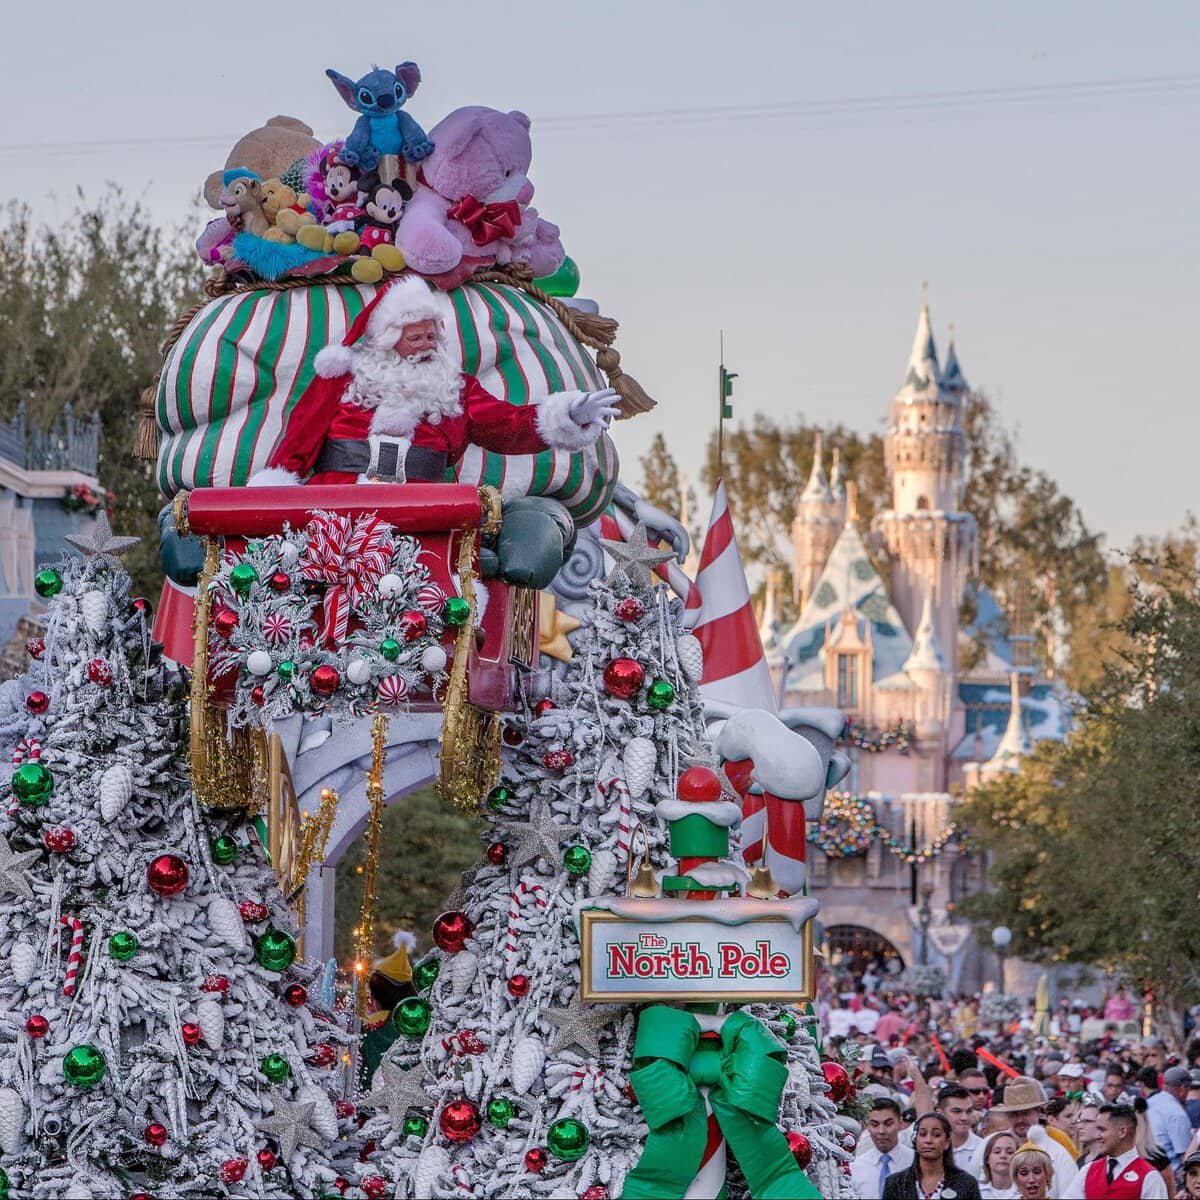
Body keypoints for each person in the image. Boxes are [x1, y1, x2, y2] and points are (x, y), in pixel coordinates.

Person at [255, 274, 617, 486]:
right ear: (387, 339)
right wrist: (275, 492)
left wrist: (568, 415)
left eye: (432, 337)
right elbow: (300, 439)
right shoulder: (344, 377)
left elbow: (507, 424)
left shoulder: (455, 388)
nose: (428, 345)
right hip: (336, 506)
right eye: (417, 338)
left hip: (425, 509)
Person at [992, 1075, 1081, 1193]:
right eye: (1014, 1114)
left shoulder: (1058, 1151)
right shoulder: (991, 1145)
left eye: (1025, 1113)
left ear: (1038, 1112)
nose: (1020, 1119)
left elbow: (1072, 1194)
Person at [1061, 1103, 1168, 1198]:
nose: (1098, 1136)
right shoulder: (1088, 1170)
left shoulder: (1149, 1177)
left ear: (1122, 1131)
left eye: (1102, 1130)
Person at [883, 1112, 982, 1200]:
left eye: (936, 1135)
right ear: (915, 1140)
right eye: (922, 1134)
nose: (928, 1140)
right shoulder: (895, 1183)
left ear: (947, 1142)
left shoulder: (966, 1183)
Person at [853, 1097, 914, 1198]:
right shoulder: (856, 1167)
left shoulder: (915, 1162)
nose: (881, 1131)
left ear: (900, 1123)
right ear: (867, 1126)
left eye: (888, 1124)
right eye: (874, 1124)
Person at [1145, 1065, 1193, 1170]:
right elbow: (1186, 1156)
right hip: (1168, 1175)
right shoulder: (1178, 1114)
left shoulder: (1150, 1101)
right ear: (1183, 1088)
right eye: (1188, 1088)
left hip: (1145, 1170)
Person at [978, 1130, 1020, 1199]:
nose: (1003, 1156)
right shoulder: (975, 1190)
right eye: (997, 1152)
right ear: (987, 1159)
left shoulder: (1026, 1191)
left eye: (1010, 1152)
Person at [1073, 1102, 1105, 1167]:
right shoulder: (1080, 1160)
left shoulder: (1108, 1161)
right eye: (1080, 1121)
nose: (1079, 1127)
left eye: (1086, 1121)